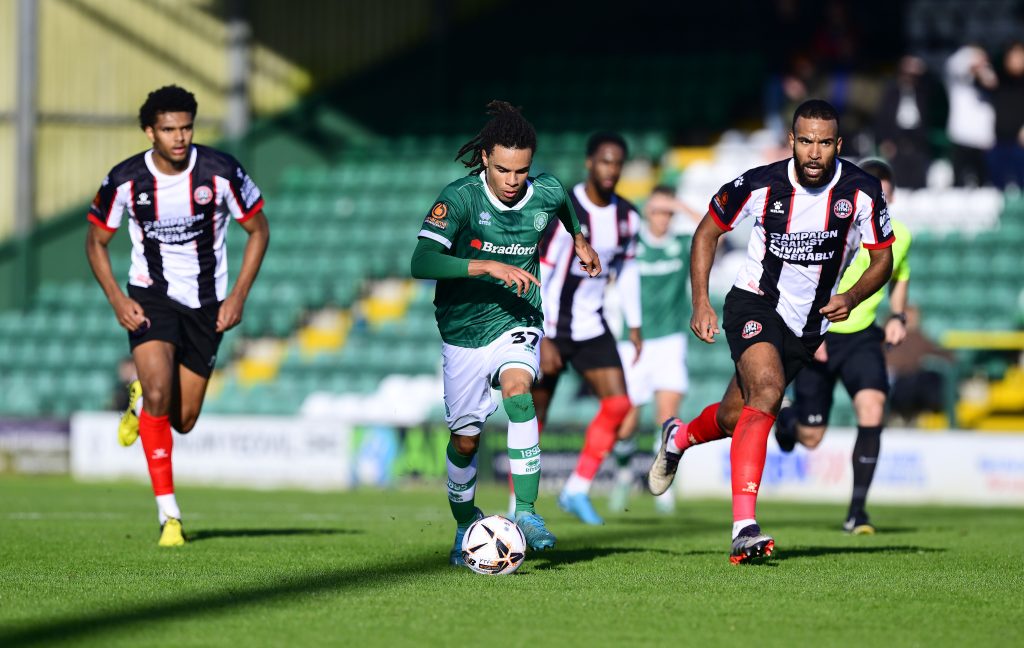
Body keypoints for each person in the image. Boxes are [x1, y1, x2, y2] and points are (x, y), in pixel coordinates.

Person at [647, 99, 895, 564]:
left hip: (809, 324)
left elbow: (883, 257)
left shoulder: (862, 191)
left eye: (825, 143)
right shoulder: (761, 184)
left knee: (730, 416)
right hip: (755, 302)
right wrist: (701, 300)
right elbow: (706, 233)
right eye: (806, 141)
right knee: (768, 390)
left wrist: (853, 296)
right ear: (792, 142)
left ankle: (677, 438)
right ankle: (745, 527)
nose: (815, 152)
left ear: (838, 145)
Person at [409, 101, 601, 566]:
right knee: (465, 441)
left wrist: (579, 239)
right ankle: (463, 524)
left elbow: (564, 205)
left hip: (518, 318)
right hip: (462, 331)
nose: (513, 181)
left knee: (520, 393)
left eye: (521, 171)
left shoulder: (546, 190)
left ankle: (529, 512)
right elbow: (420, 262)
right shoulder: (459, 199)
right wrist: (486, 265)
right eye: (503, 170)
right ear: (484, 161)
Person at [85, 85, 270, 547]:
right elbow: (96, 241)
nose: (179, 136)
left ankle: (141, 402)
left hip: (207, 304)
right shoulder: (125, 179)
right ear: (150, 131)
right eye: (169, 129)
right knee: (159, 390)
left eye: (186, 127)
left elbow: (258, 230)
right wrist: (116, 299)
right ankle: (170, 517)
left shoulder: (221, 171)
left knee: (183, 419)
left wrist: (238, 297)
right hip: (151, 296)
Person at [774, 158, 912, 535]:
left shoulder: (899, 235)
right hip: (820, 333)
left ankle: (857, 513)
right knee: (811, 437)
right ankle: (787, 420)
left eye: (884, 194)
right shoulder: (832, 229)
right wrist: (812, 330)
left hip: (863, 335)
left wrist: (897, 316)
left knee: (873, 407)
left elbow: (899, 274)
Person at [532, 132, 641, 526]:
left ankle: (576, 489)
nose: (611, 170)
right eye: (604, 162)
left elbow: (626, 271)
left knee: (619, 404)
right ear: (589, 163)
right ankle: (517, 509)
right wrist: (540, 332)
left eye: (617, 163)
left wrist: (635, 323)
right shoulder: (563, 209)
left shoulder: (629, 216)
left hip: (591, 325)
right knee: (531, 417)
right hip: (551, 326)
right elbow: (539, 269)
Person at [608, 186, 694, 515]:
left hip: (670, 340)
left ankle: (665, 486)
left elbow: (716, 232)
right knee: (627, 422)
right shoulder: (632, 244)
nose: (663, 218)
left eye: (667, 212)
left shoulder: (680, 245)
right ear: (647, 212)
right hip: (633, 343)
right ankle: (623, 474)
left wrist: (679, 203)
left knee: (667, 418)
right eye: (657, 211)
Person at [945, 44, 998, 187]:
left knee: (983, 184)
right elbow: (954, 64)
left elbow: (991, 82)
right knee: (959, 183)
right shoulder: (958, 81)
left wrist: (982, 69)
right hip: (962, 138)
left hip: (983, 141)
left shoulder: (985, 78)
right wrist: (974, 59)